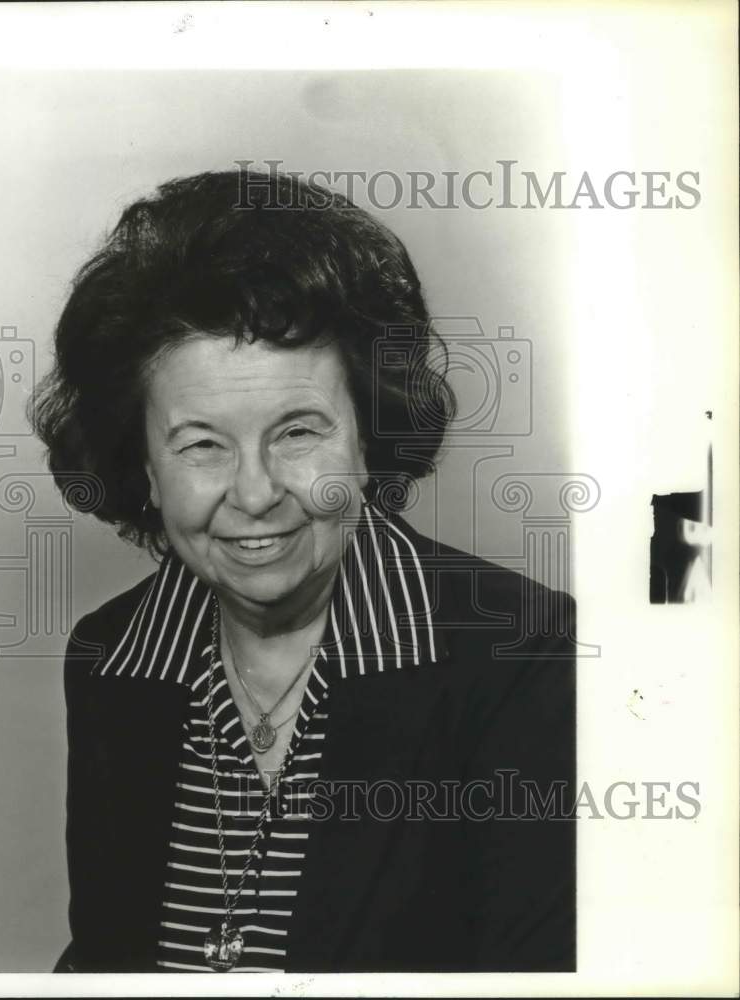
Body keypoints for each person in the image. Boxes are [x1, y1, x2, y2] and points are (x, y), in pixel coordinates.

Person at [33, 169, 576, 974]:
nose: (254, 494)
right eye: (201, 444)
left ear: (368, 439)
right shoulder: (111, 656)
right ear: (143, 467)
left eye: (296, 432)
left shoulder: (521, 657)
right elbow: (107, 963)